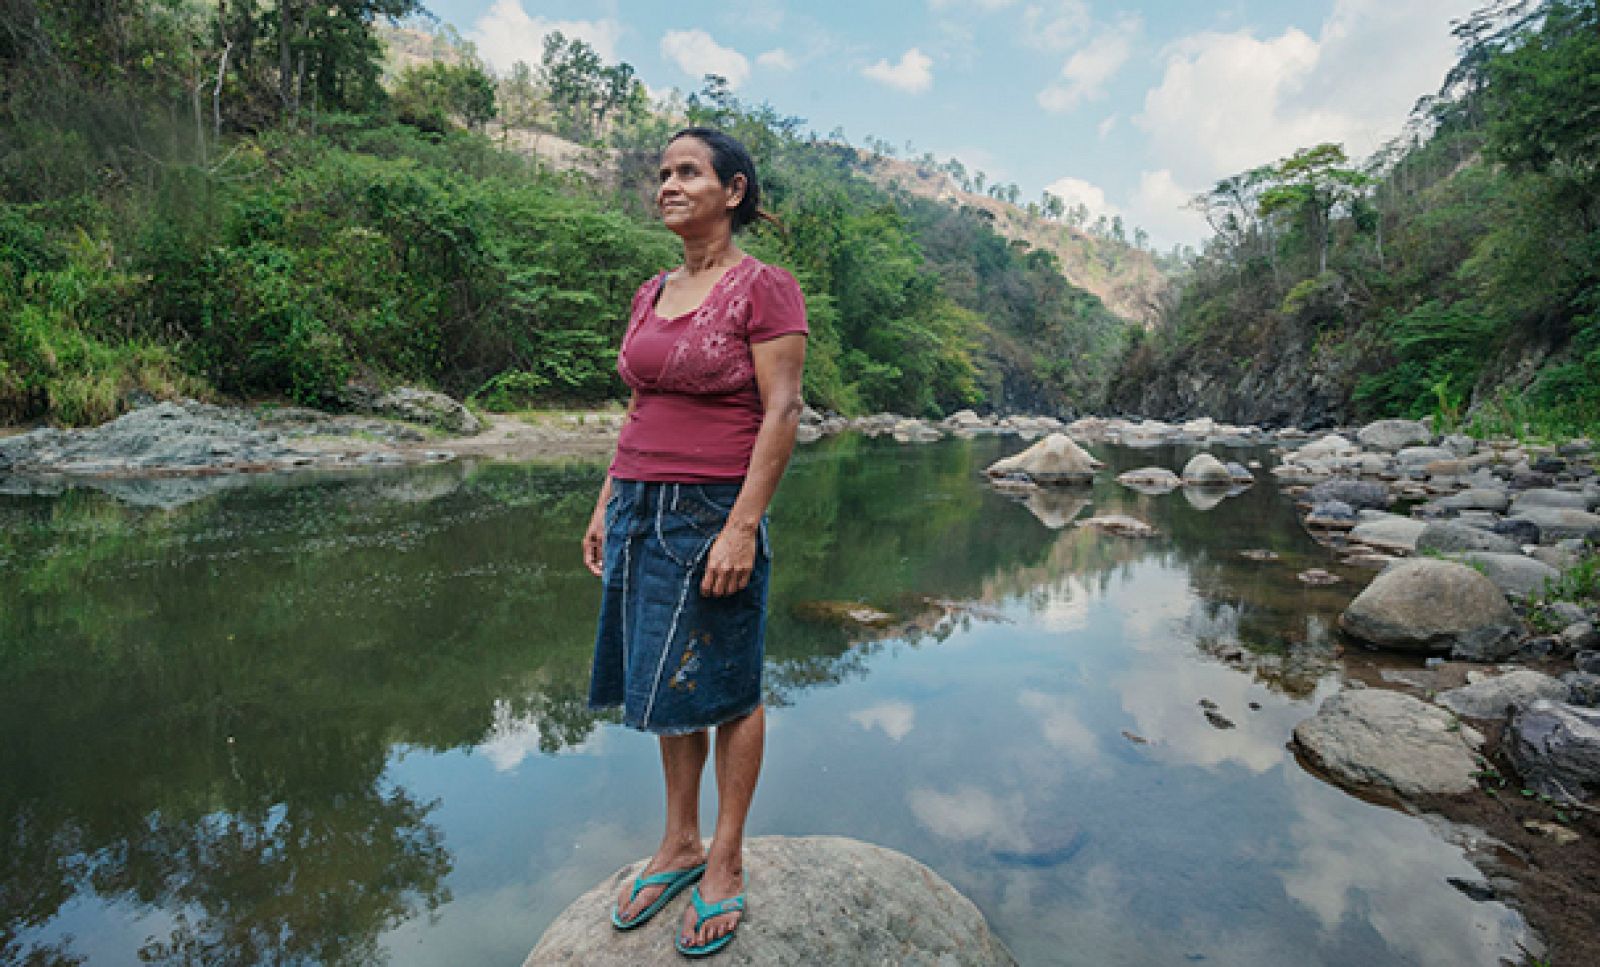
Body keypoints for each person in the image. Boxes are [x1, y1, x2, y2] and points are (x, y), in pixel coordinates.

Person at [582, 127, 807, 958]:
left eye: (688, 172)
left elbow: (782, 410)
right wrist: (608, 500)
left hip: (712, 507)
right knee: (663, 676)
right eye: (663, 173)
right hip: (639, 503)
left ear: (734, 190)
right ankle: (678, 840)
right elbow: (640, 406)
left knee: (729, 681)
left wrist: (742, 525)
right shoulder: (652, 291)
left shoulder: (764, 288)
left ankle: (726, 854)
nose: (668, 184)